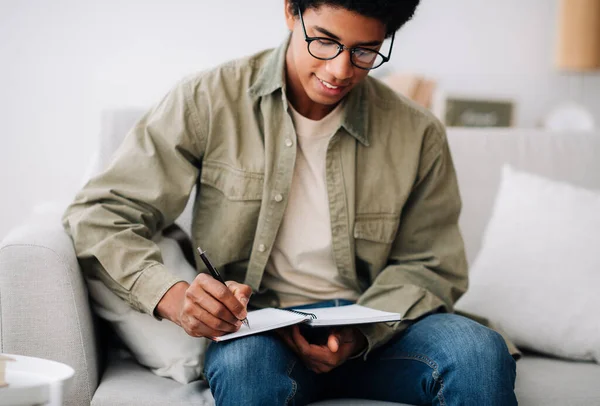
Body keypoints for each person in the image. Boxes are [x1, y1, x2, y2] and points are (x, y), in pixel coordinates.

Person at [63, 0, 518, 404]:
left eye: (365, 51)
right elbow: (100, 213)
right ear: (290, 12)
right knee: (246, 369)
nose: (340, 70)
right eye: (324, 41)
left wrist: (358, 333)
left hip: (379, 333)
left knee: (478, 352)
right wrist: (170, 294)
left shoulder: (418, 132)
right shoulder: (209, 99)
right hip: (261, 332)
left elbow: (432, 263)